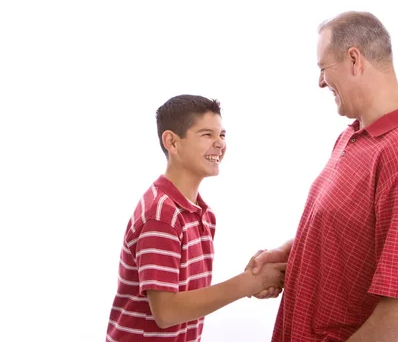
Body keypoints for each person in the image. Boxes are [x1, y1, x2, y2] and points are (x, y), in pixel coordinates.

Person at [247, 12, 398, 342]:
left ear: (354, 59)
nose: (320, 82)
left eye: (323, 68)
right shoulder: (355, 136)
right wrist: (290, 255)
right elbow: (351, 232)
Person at [106, 94, 286, 341]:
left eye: (222, 135)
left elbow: (189, 298)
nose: (220, 144)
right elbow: (167, 312)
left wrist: (253, 280)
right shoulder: (160, 216)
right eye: (207, 135)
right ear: (172, 142)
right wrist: (247, 284)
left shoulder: (203, 214)